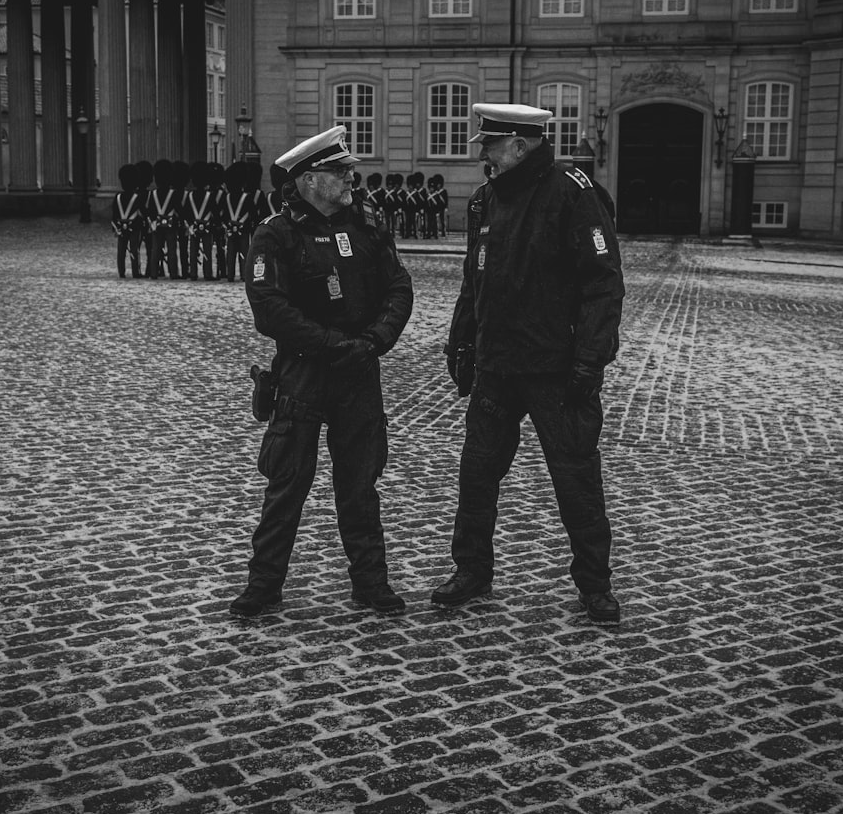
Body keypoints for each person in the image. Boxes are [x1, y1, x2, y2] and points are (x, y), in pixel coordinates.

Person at [431, 103, 625, 624]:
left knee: (575, 480)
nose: (482, 155)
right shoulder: (484, 201)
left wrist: (590, 358)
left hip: (556, 369)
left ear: (520, 146)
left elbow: (602, 283)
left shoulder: (573, 191)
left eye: (489, 146)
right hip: (498, 366)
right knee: (476, 475)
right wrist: (462, 344)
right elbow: (475, 281)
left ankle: (594, 585)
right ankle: (472, 570)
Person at [230, 126, 414, 618]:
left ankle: (371, 583)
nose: (352, 177)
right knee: (288, 484)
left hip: (359, 372)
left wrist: (375, 340)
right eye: (340, 171)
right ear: (310, 180)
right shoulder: (276, 234)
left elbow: (399, 288)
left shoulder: (368, 227)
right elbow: (269, 309)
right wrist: (334, 344)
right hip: (304, 373)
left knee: (360, 485)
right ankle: (264, 585)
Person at [110, 163, 143, 278]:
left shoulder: (118, 197)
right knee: (134, 250)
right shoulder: (137, 197)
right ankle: (135, 272)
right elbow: (142, 212)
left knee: (121, 251)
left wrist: (115, 228)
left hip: (120, 225)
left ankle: (121, 272)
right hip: (134, 226)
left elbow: (114, 214)